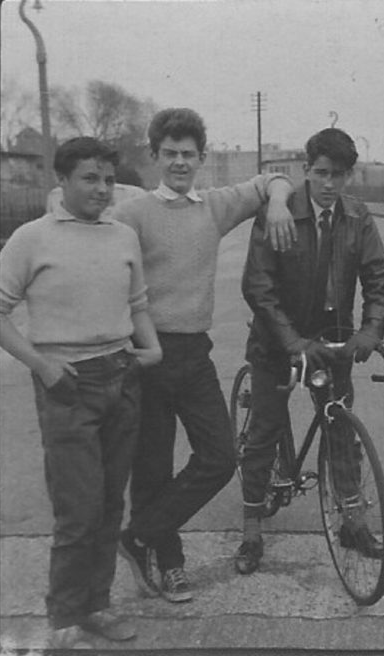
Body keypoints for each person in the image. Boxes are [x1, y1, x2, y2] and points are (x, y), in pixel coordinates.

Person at [111, 107, 296, 603]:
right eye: (168, 153)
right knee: (151, 470)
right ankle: (169, 566)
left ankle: (138, 535)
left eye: (187, 154)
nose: (178, 162)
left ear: (201, 157)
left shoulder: (213, 206)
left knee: (217, 458)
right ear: (154, 156)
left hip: (194, 354)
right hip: (145, 353)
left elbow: (273, 179)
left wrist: (277, 202)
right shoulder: (131, 214)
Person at [0, 137, 162, 650]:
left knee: (112, 504)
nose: (102, 189)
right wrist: (43, 367)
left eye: (109, 179)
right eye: (90, 178)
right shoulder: (31, 238)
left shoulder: (121, 235)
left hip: (122, 373)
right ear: (63, 181)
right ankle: (64, 619)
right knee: (79, 511)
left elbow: (137, 302)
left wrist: (151, 348)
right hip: (67, 385)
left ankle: (98, 605)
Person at [235, 127, 384, 574]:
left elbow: (378, 278)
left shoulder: (358, 217)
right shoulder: (277, 214)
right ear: (306, 171)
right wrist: (292, 342)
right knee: (263, 432)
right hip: (276, 343)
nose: (328, 183)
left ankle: (353, 521)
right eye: (320, 173)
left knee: (340, 430)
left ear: (348, 176)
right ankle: (251, 529)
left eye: (338, 175)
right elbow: (258, 288)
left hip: (332, 342)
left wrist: (371, 330)